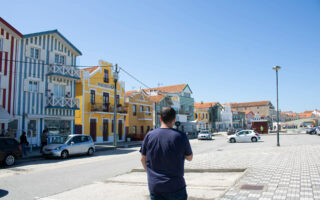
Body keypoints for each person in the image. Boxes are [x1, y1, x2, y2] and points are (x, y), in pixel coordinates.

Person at [140, 107, 193, 200]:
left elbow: (142, 159)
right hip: (176, 186)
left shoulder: (149, 135)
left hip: (155, 186)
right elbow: (189, 157)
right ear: (174, 119)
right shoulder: (181, 136)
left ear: (160, 119)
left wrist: (151, 175)